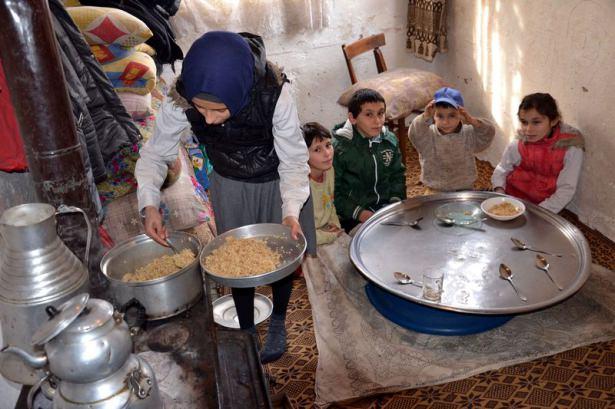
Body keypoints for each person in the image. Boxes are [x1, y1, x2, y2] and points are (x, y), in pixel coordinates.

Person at [135, 31, 316, 364]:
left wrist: (290, 211)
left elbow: (293, 161)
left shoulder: (274, 94)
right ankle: (246, 327)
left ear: (240, 92)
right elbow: (156, 153)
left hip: (277, 181)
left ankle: (278, 319)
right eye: (201, 109)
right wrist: (149, 203)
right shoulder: (181, 98)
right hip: (230, 182)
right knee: (235, 263)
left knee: (282, 256)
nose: (207, 120)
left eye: (218, 110)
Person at [491, 93, 584, 214]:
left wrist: (537, 213)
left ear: (554, 120)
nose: (528, 130)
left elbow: (566, 189)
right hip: (512, 199)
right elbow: (502, 168)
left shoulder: (570, 146)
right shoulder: (520, 141)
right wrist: (500, 194)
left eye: (536, 122)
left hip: (545, 207)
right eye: (524, 122)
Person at [332, 88, 406, 232]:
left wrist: (395, 201)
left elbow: (398, 175)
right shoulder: (340, 149)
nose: (377, 121)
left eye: (381, 113)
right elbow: (334, 191)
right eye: (369, 114)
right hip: (353, 216)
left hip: (386, 208)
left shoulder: (389, 141)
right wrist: (360, 213)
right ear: (352, 118)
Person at [408, 86, 495, 192]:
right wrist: (425, 116)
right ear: (433, 116)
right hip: (434, 189)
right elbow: (414, 133)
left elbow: (488, 133)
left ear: (461, 114)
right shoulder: (428, 136)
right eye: (440, 116)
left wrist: (472, 121)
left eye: (452, 116)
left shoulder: (468, 134)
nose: (445, 122)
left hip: (464, 189)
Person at [302, 122, 343, 245]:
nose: (327, 153)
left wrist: (336, 225)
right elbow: (302, 235)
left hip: (327, 230)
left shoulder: (329, 170)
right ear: (303, 154)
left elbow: (330, 203)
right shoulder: (302, 184)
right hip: (311, 239)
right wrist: (331, 236)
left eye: (328, 145)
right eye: (317, 149)